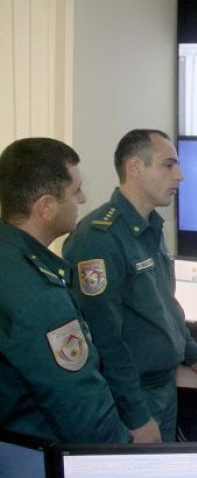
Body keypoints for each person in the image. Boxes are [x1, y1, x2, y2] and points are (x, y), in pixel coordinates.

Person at [64, 129, 197, 443]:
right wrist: (136, 416)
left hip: (164, 386)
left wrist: (193, 354)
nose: (179, 175)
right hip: (132, 395)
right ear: (135, 168)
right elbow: (106, 340)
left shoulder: (150, 226)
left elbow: (163, 306)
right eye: (169, 165)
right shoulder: (99, 239)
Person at [0, 138, 129, 443]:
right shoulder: (40, 295)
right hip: (34, 455)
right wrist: (124, 455)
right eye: (76, 191)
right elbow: (83, 412)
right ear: (46, 207)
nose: (83, 198)